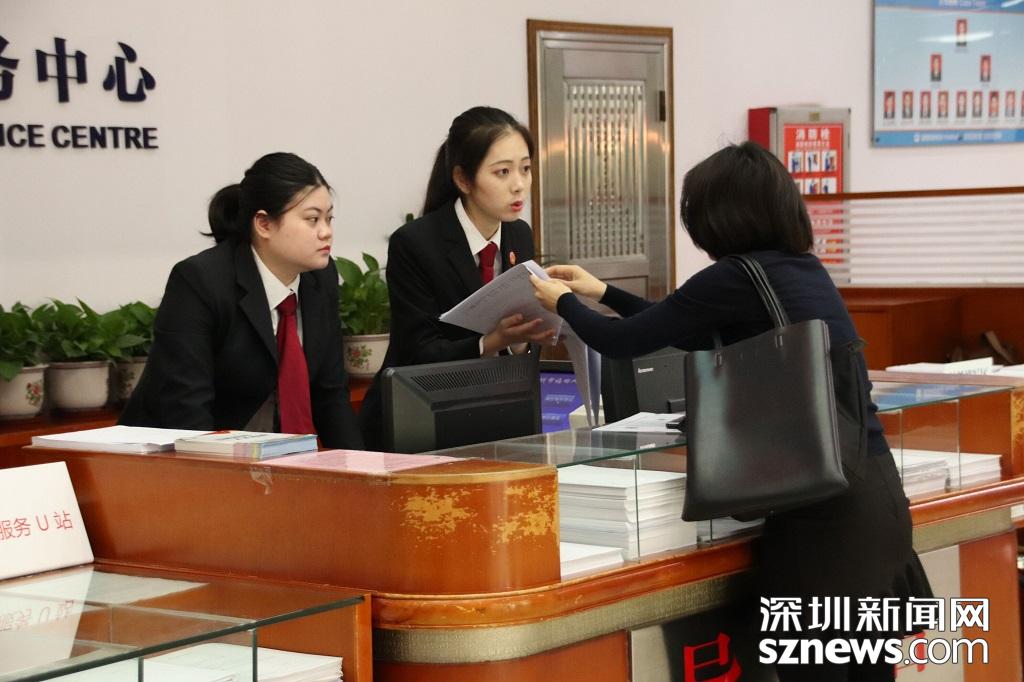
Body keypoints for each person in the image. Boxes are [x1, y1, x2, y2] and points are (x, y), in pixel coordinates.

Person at [531, 142, 932, 681]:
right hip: (871, 497)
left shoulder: (737, 277)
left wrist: (562, 302)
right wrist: (601, 291)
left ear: (720, 216)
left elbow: (624, 342)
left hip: (824, 526)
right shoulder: (798, 269)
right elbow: (678, 324)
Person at [120, 152, 363, 448]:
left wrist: (362, 468)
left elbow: (331, 394)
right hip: (179, 455)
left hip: (276, 456)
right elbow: (186, 409)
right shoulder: (200, 281)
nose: (326, 232)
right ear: (263, 224)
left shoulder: (319, 277)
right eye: (312, 220)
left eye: (329, 218)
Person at [359, 106, 555, 448]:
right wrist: (489, 341)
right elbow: (417, 350)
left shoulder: (518, 234)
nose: (519, 185)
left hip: (495, 410)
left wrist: (524, 336)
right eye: (502, 172)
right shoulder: (416, 243)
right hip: (420, 418)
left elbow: (520, 340)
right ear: (463, 179)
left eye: (525, 169)